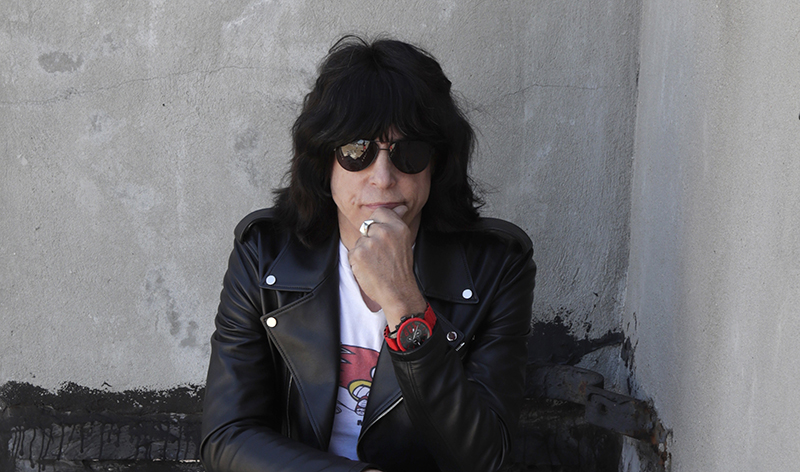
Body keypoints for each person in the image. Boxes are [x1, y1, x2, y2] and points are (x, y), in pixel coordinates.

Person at [200, 35, 536, 472]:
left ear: (437, 163)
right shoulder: (265, 253)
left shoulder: (497, 266)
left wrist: (405, 304)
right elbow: (227, 437)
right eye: (356, 151)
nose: (383, 177)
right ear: (324, 160)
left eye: (409, 152)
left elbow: (484, 458)